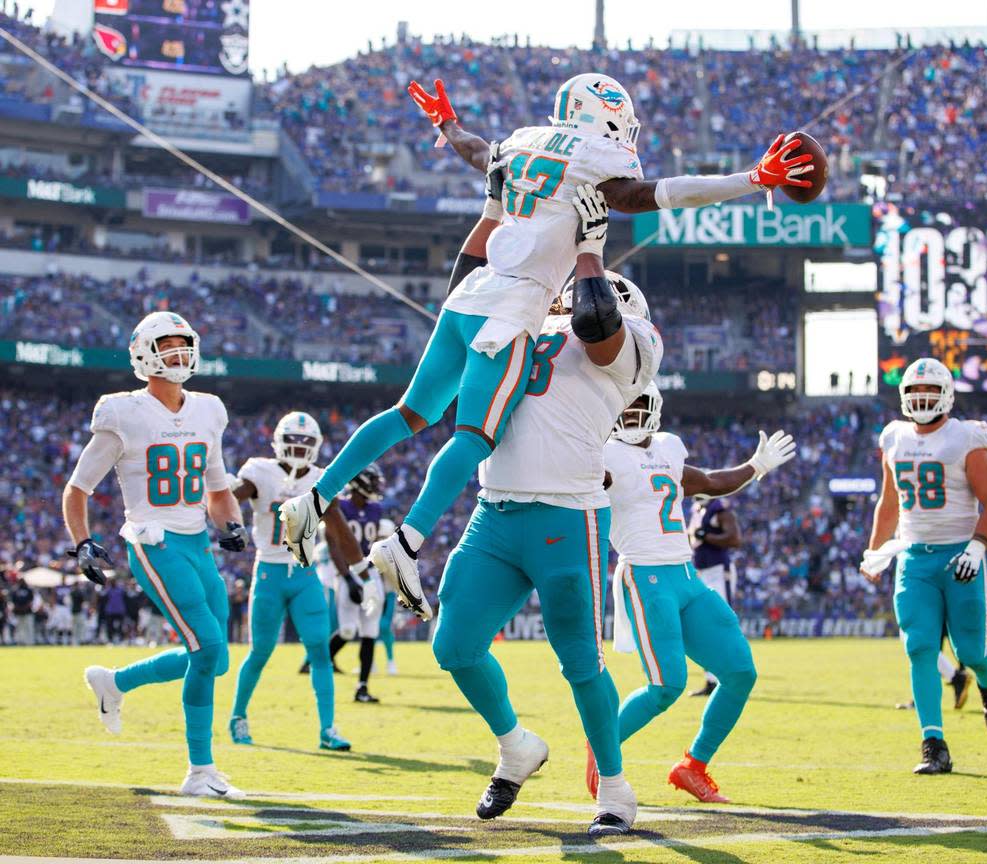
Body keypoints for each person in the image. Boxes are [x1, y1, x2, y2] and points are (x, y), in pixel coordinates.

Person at [279, 73, 815, 621]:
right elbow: (663, 193)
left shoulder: (521, 140)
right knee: (475, 437)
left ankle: (313, 499)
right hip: (512, 309)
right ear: (606, 116)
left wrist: (447, 122)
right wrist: (751, 179)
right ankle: (406, 543)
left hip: (467, 292)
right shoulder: (598, 160)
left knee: (408, 414)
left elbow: (476, 152)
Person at [428, 186, 660, 836]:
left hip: (568, 515)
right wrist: (495, 207)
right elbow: (466, 292)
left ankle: (614, 787)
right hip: (496, 513)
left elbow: (597, 324)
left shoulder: (630, 340)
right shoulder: (528, 322)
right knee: (454, 644)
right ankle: (515, 746)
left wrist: (590, 252)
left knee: (580, 660)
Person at [62, 311, 248, 798]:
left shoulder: (209, 409)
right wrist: (82, 542)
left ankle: (115, 682)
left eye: (183, 343)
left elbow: (218, 487)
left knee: (214, 657)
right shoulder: (123, 411)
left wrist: (232, 526)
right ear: (143, 354)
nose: (178, 353)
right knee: (206, 650)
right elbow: (78, 489)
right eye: (166, 345)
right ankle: (200, 770)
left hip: (197, 542)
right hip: (153, 541)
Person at [597, 383, 794, 802]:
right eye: (624, 406)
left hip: (686, 577)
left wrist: (755, 466)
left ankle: (693, 766)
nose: (630, 415)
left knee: (740, 672)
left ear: (655, 408)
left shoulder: (669, 447)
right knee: (667, 685)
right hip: (645, 575)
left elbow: (706, 480)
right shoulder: (604, 455)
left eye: (639, 406)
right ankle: (601, 746)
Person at [860, 357, 987, 774]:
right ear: (904, 397)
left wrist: (978, 547)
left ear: (946, 394)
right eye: (915, 392)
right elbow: (889, 502)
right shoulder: (893, 437)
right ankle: (933, 743)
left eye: (930, 391)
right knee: (919, 647)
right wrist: (875, 551)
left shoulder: (966, 436)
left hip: (960, 554)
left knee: (970, 651)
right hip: (914, 557)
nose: (922, 399)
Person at [227, 411, 364, 750]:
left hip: (304, 574)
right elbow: (234, 497)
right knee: (260, 651)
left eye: (306, 441)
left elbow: (336, 531)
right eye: (294, 440)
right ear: (278, 442)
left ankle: (328, 729)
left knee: (319, 649)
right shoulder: (260, 472)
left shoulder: (321, 478)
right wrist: (225, 495)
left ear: (316, 446)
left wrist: (356, 573)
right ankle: (238, 716)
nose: (299, 447)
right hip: (268, 572)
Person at [303, 464, 397, 703]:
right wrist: (347, 577)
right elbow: (334, 544)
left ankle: (362, 687)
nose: (377, 487)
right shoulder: (340, 507)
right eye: (373, 481)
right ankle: (318, 662)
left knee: (370, 631)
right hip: (347, 572)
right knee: (347, 630)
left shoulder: (375, 509)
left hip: (370, 571)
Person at [686, 494, 743, 697]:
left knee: (721, 622)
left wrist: (707, 536)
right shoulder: (696, 510)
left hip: (718, 571)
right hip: (701, 572)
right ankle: (711, 680)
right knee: (704, 626)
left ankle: (731, 677)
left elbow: (735, 539)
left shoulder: (720, 510)